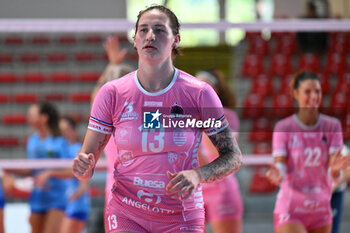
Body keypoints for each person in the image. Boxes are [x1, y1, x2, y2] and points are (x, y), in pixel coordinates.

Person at [73, 5, 242, 233]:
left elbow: (233, 156)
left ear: (176, 40)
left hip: (180, 214)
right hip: (126, 211)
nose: (150, 35)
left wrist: (197, 174)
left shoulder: (199, 94)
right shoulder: (111, 93)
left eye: (160, 30)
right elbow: (87, 160)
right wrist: (83, 164)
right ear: (134, 40)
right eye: (143, 30)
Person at [266, 71, 350, 233]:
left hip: (321, 208)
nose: (314, 96)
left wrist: (336, 172)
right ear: (295, 93)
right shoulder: (284, 128)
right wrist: (278, 175)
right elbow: (281, 164)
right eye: (307, 91)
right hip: (291, 207)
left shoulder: (333, 126)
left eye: (317, 91)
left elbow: (335, 171)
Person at [196, 69, 243, 233]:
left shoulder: (228, 116)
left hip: (222, 190)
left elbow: (219, 154)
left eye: (204, 86)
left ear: (214, 90)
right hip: (196, 191)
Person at [91, 36, 133, 208]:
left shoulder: (106, 118)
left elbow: (96, 96)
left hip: (125, 191)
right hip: (131, 191)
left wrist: (112, 66)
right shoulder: (109, 117)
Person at [23, 102, 72, 233]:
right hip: (37, 197)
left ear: (44, 118)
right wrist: (8, 170)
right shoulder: (31, 141)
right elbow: (30, 169)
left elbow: (71, 171)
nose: (28, 118)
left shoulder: (59, 141)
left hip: (56, 198)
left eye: (31, 115)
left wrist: (50, 173)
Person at [59, 116, 90, 233]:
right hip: (65, 204)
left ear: (73, 130)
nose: (63, 134)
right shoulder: (61, 150)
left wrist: (71, 198)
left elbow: (83, 185)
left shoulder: (78, 150)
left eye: (66, 129)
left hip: (76, 205)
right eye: (61, 130)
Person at [330, 145, 350, 233]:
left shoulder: (343, 149)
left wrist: (333, 186)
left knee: (333, 224)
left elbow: (347, 172)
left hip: (335, 194)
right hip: (317, 194)